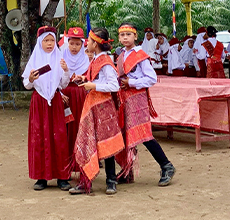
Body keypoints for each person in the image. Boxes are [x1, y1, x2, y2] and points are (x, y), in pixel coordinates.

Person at [115, 23, 176, 186]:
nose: (125, 37)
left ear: (135, 36)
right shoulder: (121, 55)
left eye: (129, 34)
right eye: (122, 35)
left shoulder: (140, 55)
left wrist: (132, 82)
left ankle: (166, 166)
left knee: (143, 135)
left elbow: (151, 78)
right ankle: (127, 170)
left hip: (137, 98)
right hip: (124, 99)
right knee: (125, 135)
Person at [68, 27, 125, 195]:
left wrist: (93, 85)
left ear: (97, 43)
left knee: (104, 143)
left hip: (102, 106)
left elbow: (114, 85)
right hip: (94, 105)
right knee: (90, 141)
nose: (87, 43)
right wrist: (85, 79)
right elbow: (98, 79)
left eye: (90, 41)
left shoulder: (105, 61)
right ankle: (92, 181)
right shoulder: (97, 60)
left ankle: (110, 180)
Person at [22, 26, 72, 191]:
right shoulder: (34, 60)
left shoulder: (60, 58)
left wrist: (66, 70)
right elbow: (27, 85)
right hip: (39, 102)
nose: (50, 44)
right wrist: (30, 78)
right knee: (39, 136)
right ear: (40, 42)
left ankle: (62, 177)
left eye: (52, 40)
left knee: (59, 137)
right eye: (46, 40)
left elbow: (64, 84)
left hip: (55, 101)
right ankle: (41, 177)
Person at [60, 26, 90, 165]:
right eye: (71, 43)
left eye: (78, 44)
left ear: (83, 44)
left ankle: (80, 159)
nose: (74, 47)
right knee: (64, 127)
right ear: (67, 42)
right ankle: (64, 159)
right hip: (63, 95)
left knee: (79, 125)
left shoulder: (86, 59)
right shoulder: (60, 57)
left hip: (79, 95)